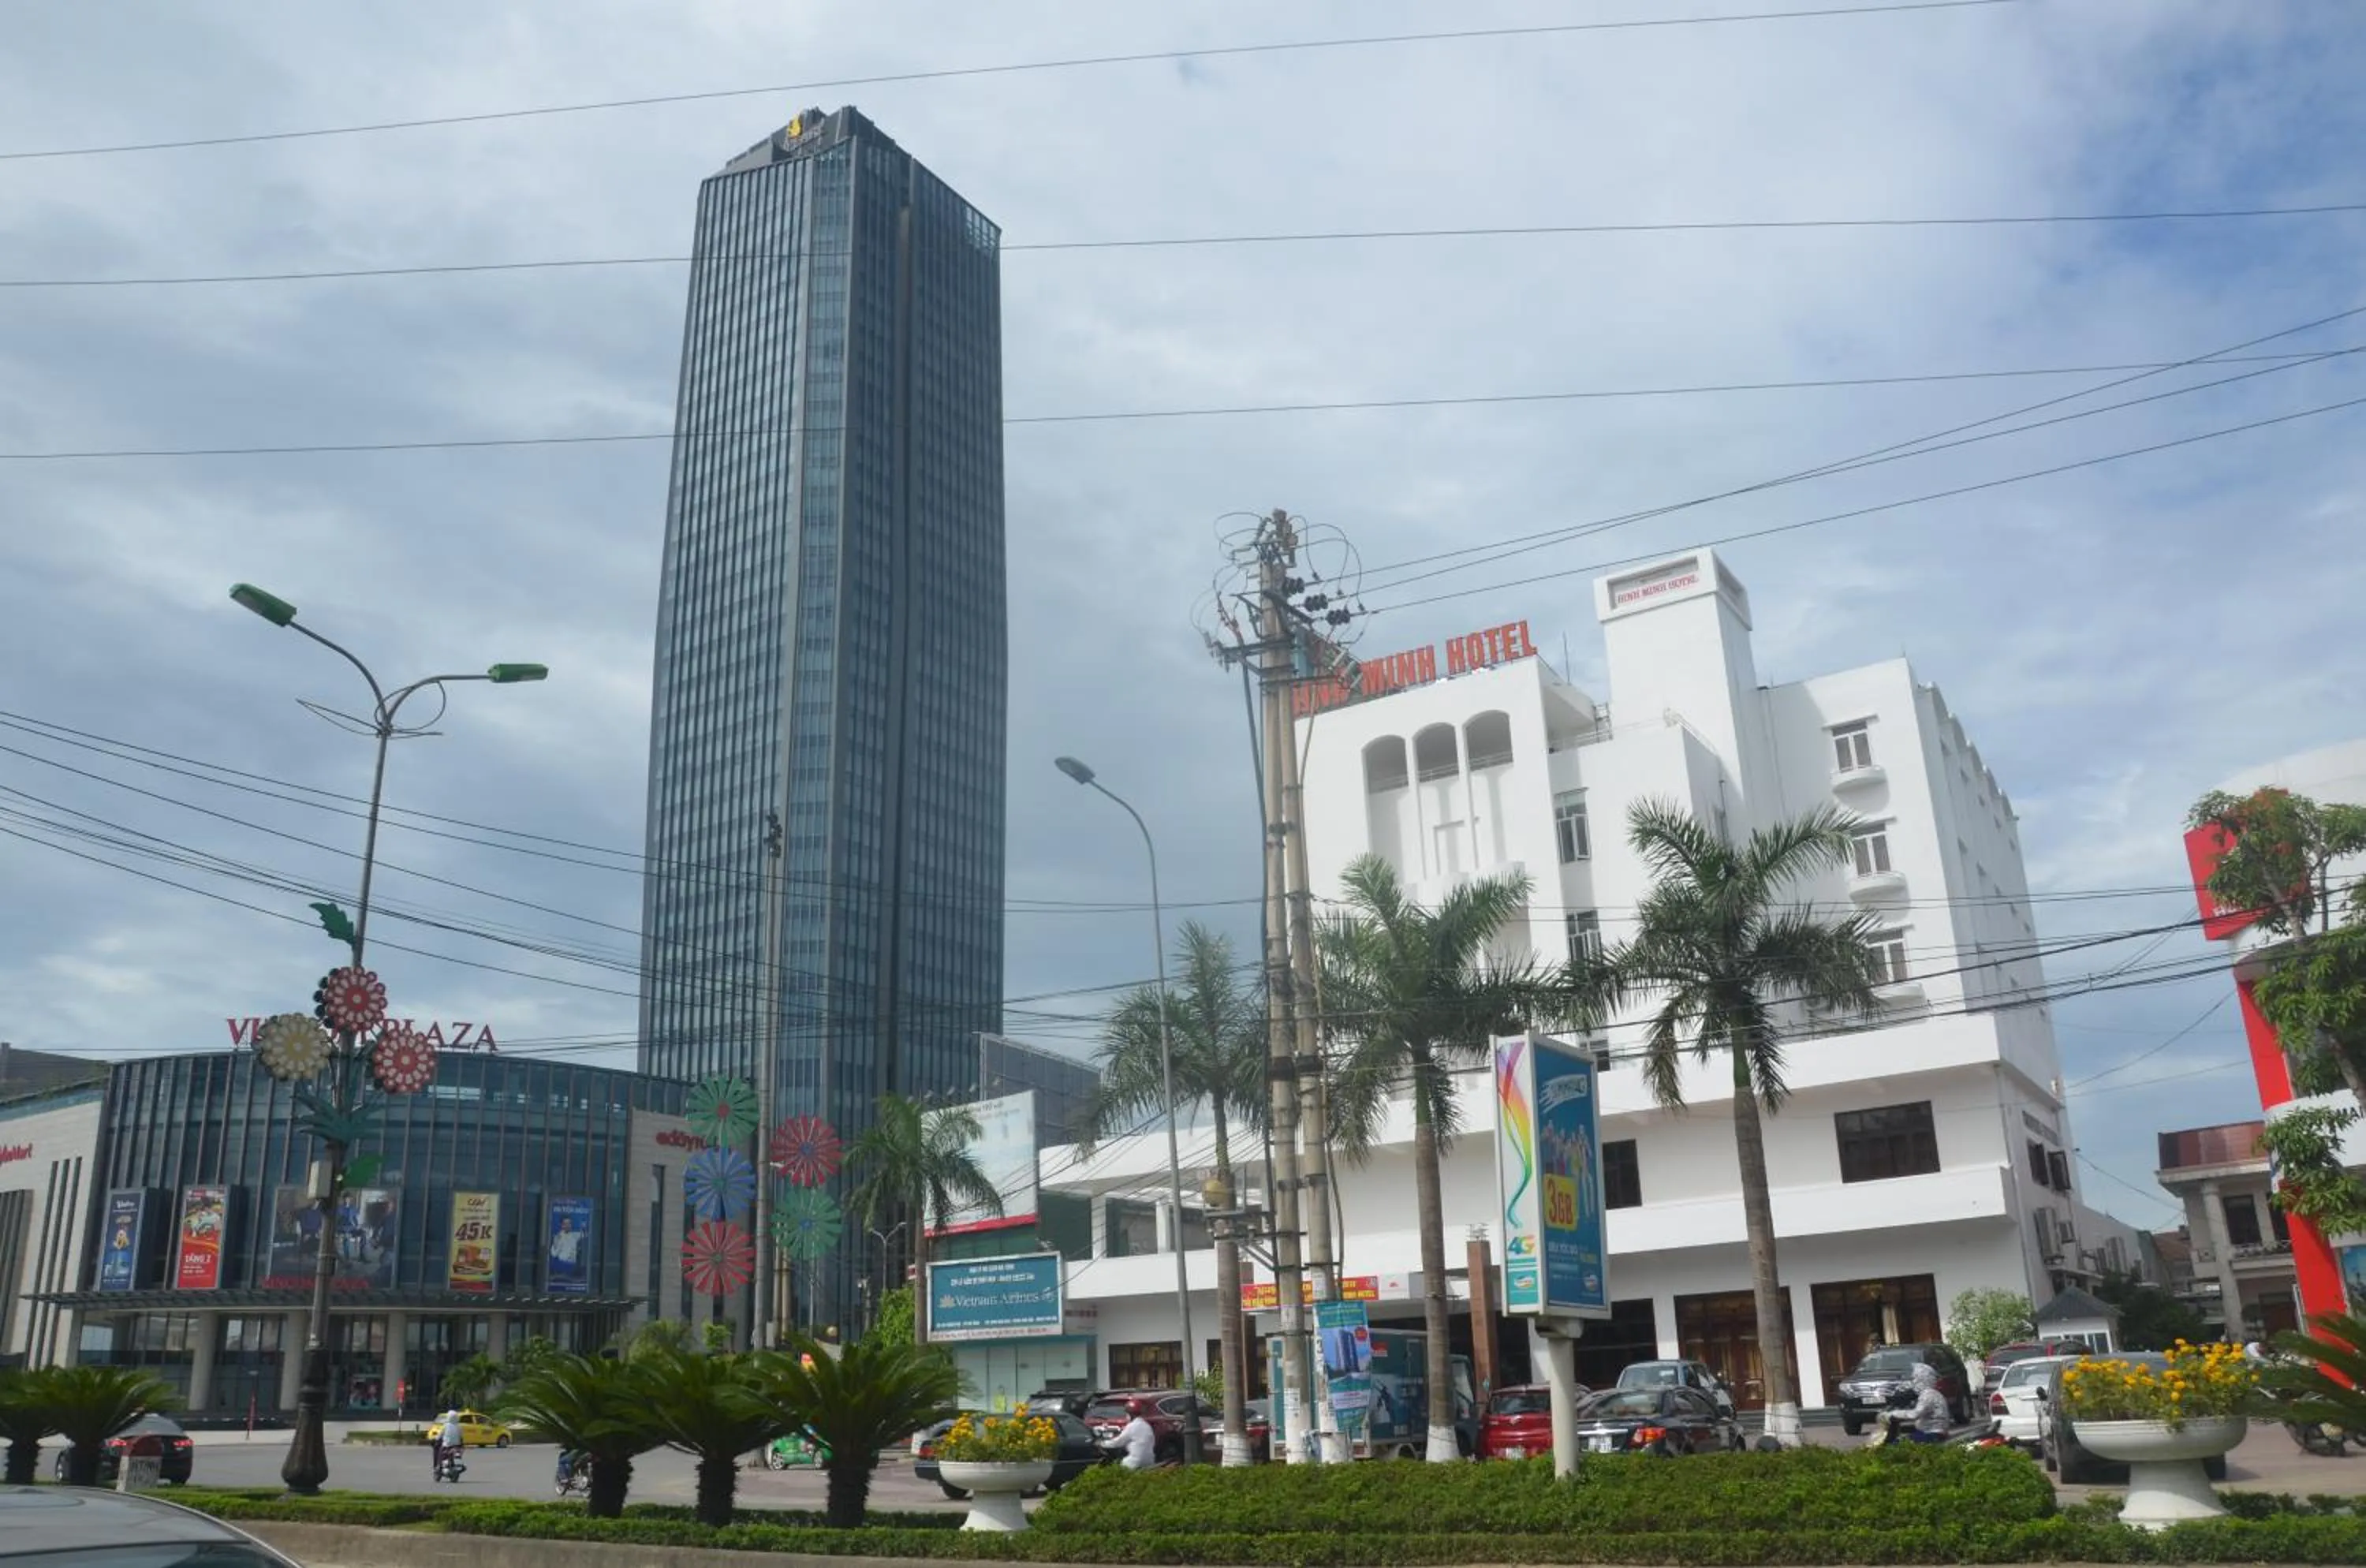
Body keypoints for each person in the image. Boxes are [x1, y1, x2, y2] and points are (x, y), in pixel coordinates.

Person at [1903, 1363, 1951, 1444]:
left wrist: (1892, 1415)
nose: (1913, 1382)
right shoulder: (1934, 1394)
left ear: (1923, 1379)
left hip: (1932, 1434)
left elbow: (1915, 1414)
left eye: (1915, 1378)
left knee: (1898, 1443)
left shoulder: (1928, 1395)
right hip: (1930, 1431)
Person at [1112, 1399, 1159, 1470]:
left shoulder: (1132, 1426)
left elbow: (1118, 1442)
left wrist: (1102, 1443)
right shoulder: (1147, 1426)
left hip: (1134, 1462)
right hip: (1150, 1460)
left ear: (1131, 1415)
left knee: (1119, 1469)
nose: (1126, 1416)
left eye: (1127, 1414)